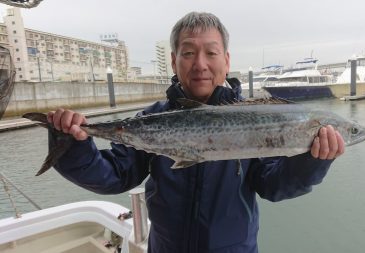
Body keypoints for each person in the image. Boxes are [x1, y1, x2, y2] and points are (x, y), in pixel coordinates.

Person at [47, 12, 345, 253]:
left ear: (226, 61)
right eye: (188, 52)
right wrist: (72, 142)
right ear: (175, 61)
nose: (200, 64)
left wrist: (312, 162)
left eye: (211, 53)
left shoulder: (254, 118)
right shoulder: (153, 117)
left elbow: (274, 185)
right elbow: (113, 175)